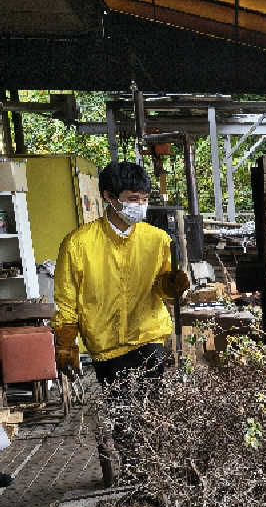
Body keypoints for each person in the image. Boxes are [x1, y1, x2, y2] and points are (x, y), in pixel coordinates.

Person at [52, 160, 189, 481]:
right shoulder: (78, 244)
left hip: (148, 336)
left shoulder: (157, 240)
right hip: (106, 345)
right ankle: (134, 472)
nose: (139, 206)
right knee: (123, 416)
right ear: (109, 197)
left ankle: (154, 471)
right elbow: (66, 298)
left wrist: (172, 287)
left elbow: (163, 288)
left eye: (143, 199)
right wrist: (65, 341)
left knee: (151, 410)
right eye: (132, 199)